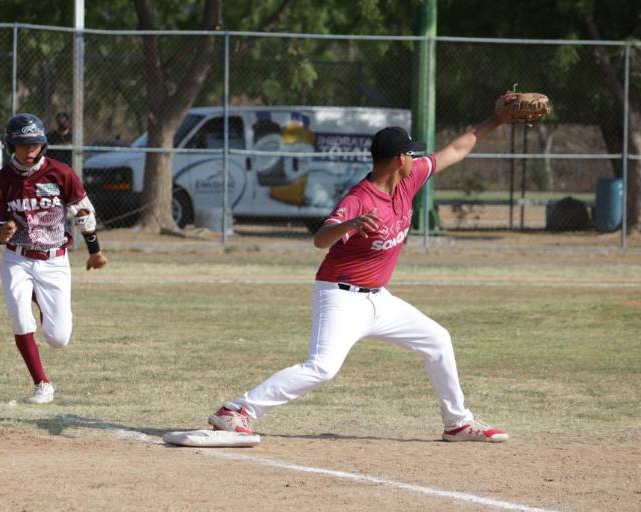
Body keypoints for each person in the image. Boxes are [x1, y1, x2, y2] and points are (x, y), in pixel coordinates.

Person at [208, 102, 514, 443]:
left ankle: (457, 423)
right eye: (411, 153)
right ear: (399, 159)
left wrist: (496, 119)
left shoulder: (409, 180)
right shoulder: (359, 199)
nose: (416, 158)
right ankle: (237, 411)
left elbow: (456, 149)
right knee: (322, 368)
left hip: (379, 300)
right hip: (340, 296)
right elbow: (320, 240)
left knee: (438, 339)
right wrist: (350, 224)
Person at [0, 113, 108, 404]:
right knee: (19, 316)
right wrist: (4, 233)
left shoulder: (61, 173)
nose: (30, 151)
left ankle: (38, 296)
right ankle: (42, 384)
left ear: (43, 145)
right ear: (10, 145)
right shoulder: (2, 180)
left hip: (54, 260)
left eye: (35, 144)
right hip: (17, 258)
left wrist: (95, 250)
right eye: (22, 144)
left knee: (58, 338)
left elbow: (83, 212)